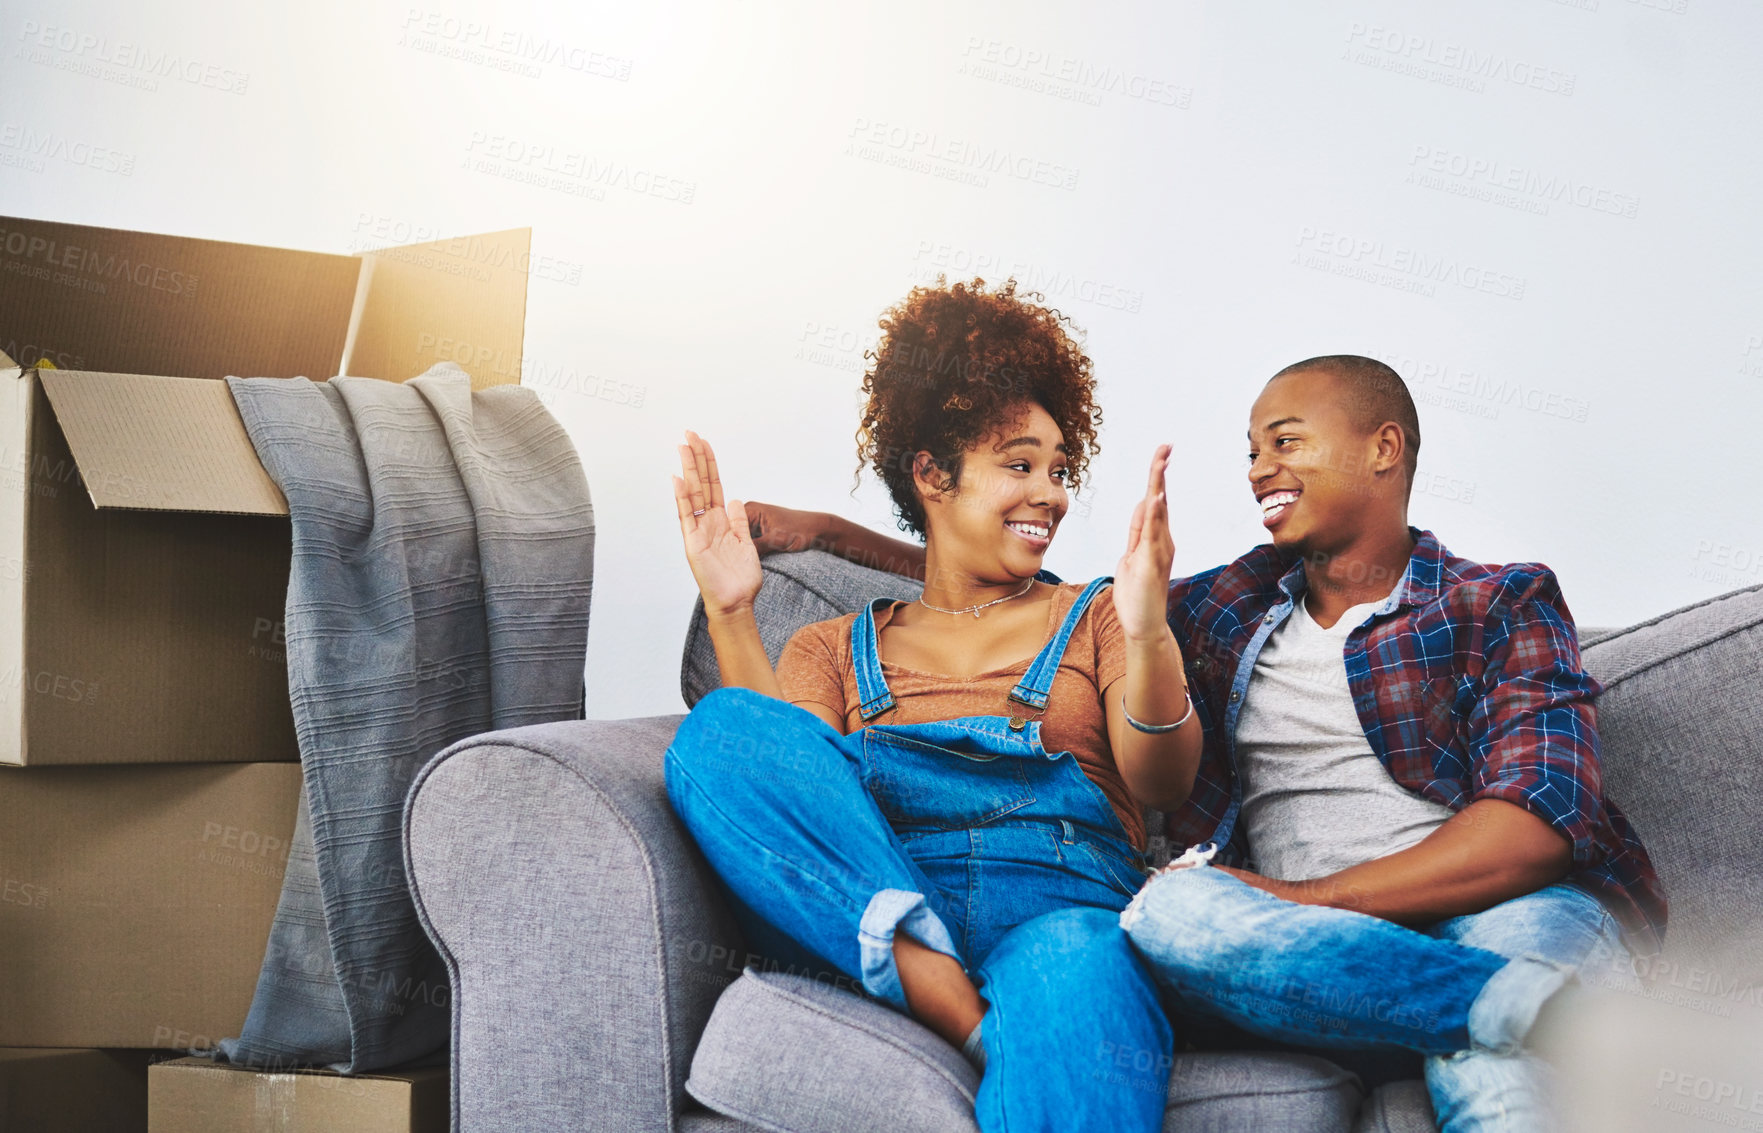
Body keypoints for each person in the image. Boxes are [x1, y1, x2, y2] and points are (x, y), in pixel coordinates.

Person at [743, 353, 1666, 1131]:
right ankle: (1513, 1009)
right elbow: (1016, 592)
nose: (1260, 466)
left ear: (1383, 448)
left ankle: (1523, 1011)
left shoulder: (1496, 600)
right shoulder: (1227, 608)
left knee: (1492, 1078)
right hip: (1290, 957)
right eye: (1252, 450)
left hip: (1472, 917)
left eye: (1287, 440)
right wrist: (827, 536)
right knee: (1164, 911)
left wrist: (1301, 899)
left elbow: (1534, 826)